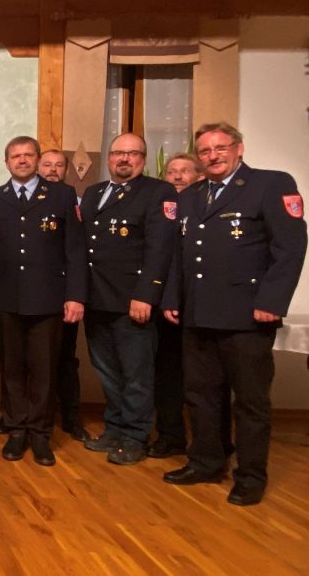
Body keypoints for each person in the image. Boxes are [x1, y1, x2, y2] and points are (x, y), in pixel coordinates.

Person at [162, 122, 306, 506]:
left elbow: (290, 249)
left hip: (247, 316)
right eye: (205, 151)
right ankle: (207, 461)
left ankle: (251, 475)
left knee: (250, 401)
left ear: (238, 148)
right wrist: (173, 297)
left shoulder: (270, 184)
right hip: (197, 313)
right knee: (202, 396)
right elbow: (179, 254)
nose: (213, 156)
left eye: (220, 148)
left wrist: (272, 301)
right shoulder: (192, 196)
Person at [0, 136, 87, 466]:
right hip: (5, 297)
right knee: (12, 367)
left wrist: (75, 296)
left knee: (44, 368)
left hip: (48, 299)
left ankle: (40, 433)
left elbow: (75, 251)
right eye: (15, 156)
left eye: (27, 155)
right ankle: (17, 428)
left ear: (37, 159)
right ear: (6, 162)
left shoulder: (62, 196)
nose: (22, 161)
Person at [79, 133, 177, 465]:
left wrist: (146, 294)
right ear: (109, 158)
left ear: (143, 159)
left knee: (136, 374)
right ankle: (115, 428)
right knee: (107, 372)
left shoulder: (157, 192)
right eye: (119, 153)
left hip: (132, 302)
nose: (124, 159)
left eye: (132, 154)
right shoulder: (93, 194)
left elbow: (159, 248)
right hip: (96, 300)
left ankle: (135, 436)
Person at [28, 147, 89, 441]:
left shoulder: (75, 201)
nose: (52, 170)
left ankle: (71, 417)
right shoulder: (27, 200)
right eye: (47, 164)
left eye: (59, 165)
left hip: (63, 296)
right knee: (33, 361)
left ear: (66, 170)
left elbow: (77, 252)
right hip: (34, 297)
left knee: (64, 359)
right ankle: (32, 417)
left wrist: (75, 295)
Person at [150, 152, 206, 457]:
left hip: (202, 305)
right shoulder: (160, 210)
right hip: (164, 305)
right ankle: (171, 436)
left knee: (204, 380)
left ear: (198, 176)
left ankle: (212, 444)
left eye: (185, 170)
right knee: (167, 374)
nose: (177, 176)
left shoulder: (207, 206)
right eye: (171, 171)